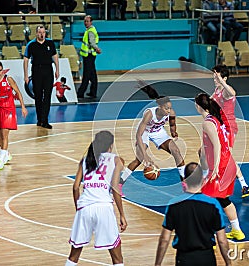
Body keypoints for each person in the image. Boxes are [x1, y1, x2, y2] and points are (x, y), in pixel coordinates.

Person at [66, 130, 127, 266]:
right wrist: (122, 215)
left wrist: (79, 208)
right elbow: (116, 189)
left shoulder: (85, 159)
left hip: (85, 207)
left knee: (74, 255)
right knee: (117, 257)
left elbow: (76, 187)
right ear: (110, 146)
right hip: (104, 208)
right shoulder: (116, 160)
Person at [155, 162, 231, 266]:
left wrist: (157, 264)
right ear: (203, 180)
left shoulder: (174, 205)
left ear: (184, 180)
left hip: (184, 258)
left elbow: (164, 239)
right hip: (207, 258)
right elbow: (222, 240)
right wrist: (228, 263)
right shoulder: (213, 205)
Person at [119, 80, 186, 193]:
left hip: (158, 131)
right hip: (144, 132)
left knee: (176, 151)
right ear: (159, 106)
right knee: (139, 159)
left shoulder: (171, 113)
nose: (169, 111)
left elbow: (172, 124)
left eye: (170, 108)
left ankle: (184, 182)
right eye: (166, 108)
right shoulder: (150, 114)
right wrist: (145, 155)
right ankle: (120, 184)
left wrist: (173, 132)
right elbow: (138, 135)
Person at [195, 93, 245, 241]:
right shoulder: (215, 119)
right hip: (227, 162)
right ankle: (237, 231)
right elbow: (212, 145)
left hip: (221, 165)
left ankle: (209, 237)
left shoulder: (208, 123)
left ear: (198, 106)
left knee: (206, 200)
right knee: (224, 200)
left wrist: (215, 167)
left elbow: (216, 145)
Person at [212, 65, 249, 198]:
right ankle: (242, 185)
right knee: (216, 153)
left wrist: (222, 82)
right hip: (220, 126)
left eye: (217, 77)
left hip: (229, 127)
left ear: (224, 78)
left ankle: (243, 185)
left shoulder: (225, 90)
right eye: (214, 76)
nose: (214, 79)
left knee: (226, 156)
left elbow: (232, 93)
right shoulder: (217, 89)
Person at [23, 25, 59, 129]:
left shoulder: (50, 43)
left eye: (43, 32)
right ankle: (39, 119)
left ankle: (45, 120)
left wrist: (57, 69)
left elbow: (55, 56)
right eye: (40, 32)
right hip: (36, 71)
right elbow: (26, 60)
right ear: (36, 33)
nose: (42, 34)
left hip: (48, 70)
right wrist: (26, 75)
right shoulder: (31, 44)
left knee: (47, 96)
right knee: (38, 96)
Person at [77, 15, 101, 99]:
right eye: (85, 21)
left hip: (89, 56)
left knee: (86, 75)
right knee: (92, 74)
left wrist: (97, 49)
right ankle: (93, 92)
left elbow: (92, 42)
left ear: (91, 22)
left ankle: (80, 92)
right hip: (90, 55)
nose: (85, 23)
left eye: (87, 21)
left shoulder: (90, 31)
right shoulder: (89, 30)